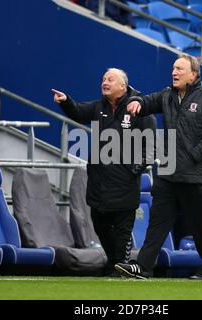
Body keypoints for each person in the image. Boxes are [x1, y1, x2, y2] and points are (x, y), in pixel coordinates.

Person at [114, 55, 202, 280]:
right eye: (173, 68)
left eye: (180, 69)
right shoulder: (167, 95)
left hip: (195, 176)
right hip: (167, 172)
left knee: (201, 225)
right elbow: (148, 102)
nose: (174, 72)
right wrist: (137, 102)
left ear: (194, 74)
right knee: (157, 222)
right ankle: (143, 267)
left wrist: (193, 155)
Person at [52, 68, 156, 276]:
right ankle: (115, 262)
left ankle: (121, 266)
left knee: (122, 231)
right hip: (99, 180)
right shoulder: (99, 106)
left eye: (110, 79)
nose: (105, 82)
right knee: (99, 225)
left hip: (125, 180)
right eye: (103, 79)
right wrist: (66, 102)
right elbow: (79, 112)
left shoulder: (138, 107)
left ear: (122, 86)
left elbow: (151, 142)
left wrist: (138, 165)